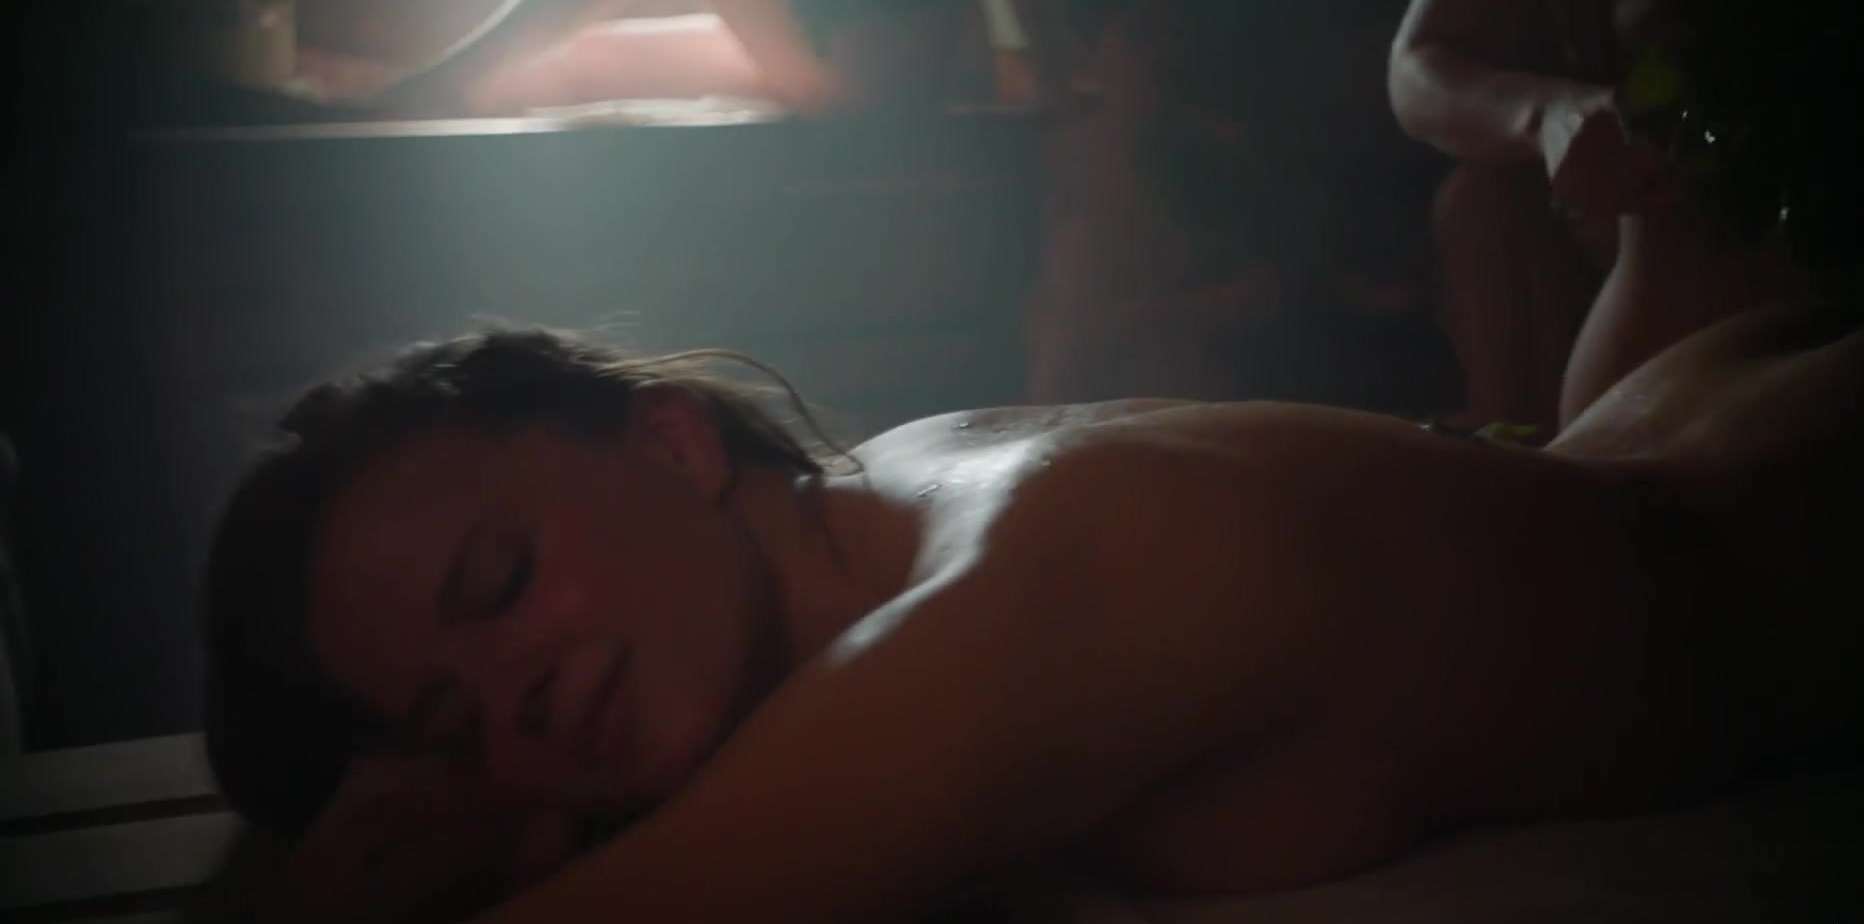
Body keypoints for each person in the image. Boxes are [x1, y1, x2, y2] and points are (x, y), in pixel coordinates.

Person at [204, 7, 1863, 923]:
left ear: (673, 435)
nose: (515, 706)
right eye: (457, 731)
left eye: (498, 583)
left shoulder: (1029, 578)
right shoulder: (871, 515)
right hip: (1644, 413)